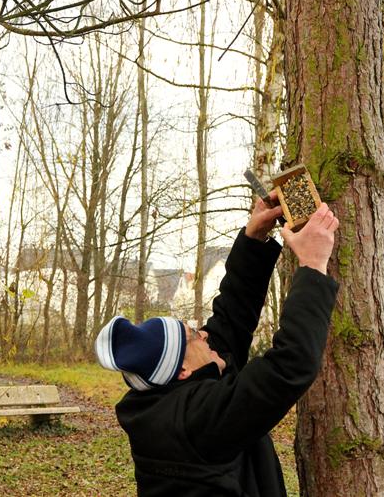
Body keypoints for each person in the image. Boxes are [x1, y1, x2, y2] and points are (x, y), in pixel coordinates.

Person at [95, 192, 339, 497]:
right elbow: (289, 366)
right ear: (182, 370)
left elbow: (228, 322)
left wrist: (254, 238)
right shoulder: (196, 421)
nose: (206, 334)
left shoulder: (164, 395)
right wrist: (313, 267)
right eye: (194, 335)